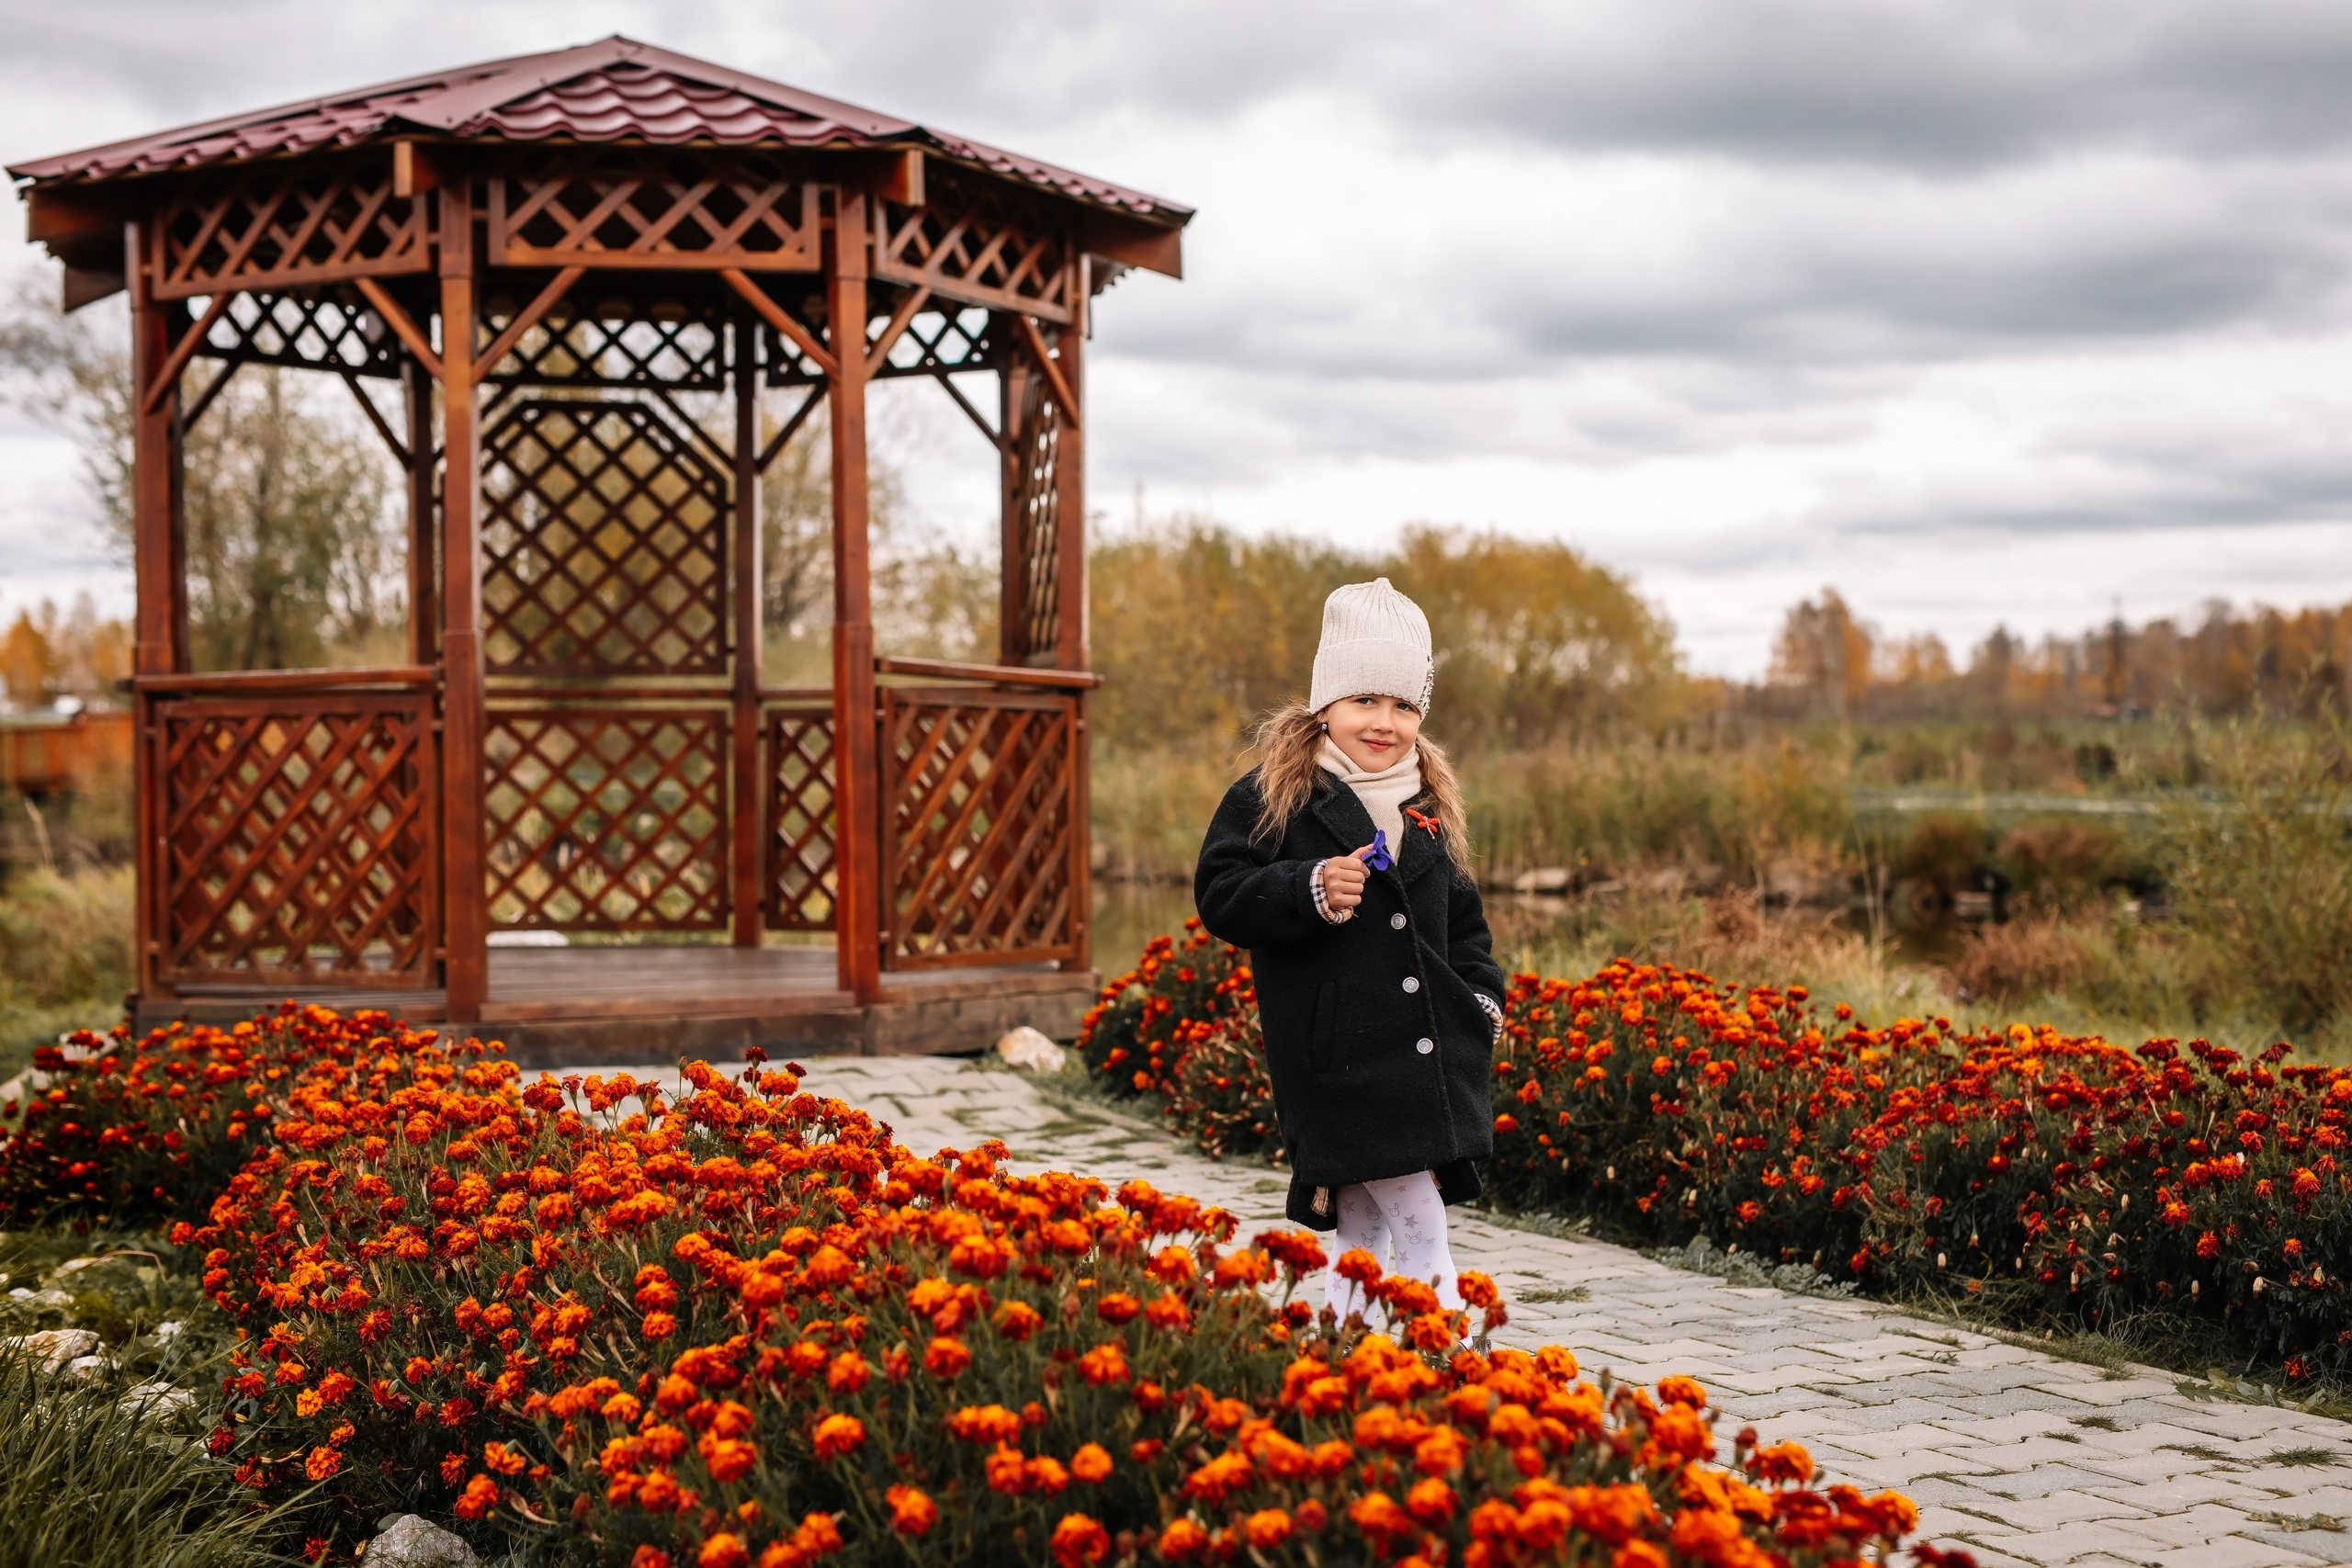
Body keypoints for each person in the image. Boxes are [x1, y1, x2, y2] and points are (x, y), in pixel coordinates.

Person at [1193, 577, 1506, 1322]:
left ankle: (1346, 1341)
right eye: (1365, 699)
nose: (1385, 721)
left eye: (1404, 704)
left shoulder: (1426, 807)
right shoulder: (1276, 796)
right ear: (1326, 702)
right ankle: (1451, 1352)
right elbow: (1221, 891)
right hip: (1337, 1059)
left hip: (1423, 1056)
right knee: (1423, 1223)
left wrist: (1483, 998)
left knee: (1363, 1225)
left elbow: (1466, 924)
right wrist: (1305, 886)